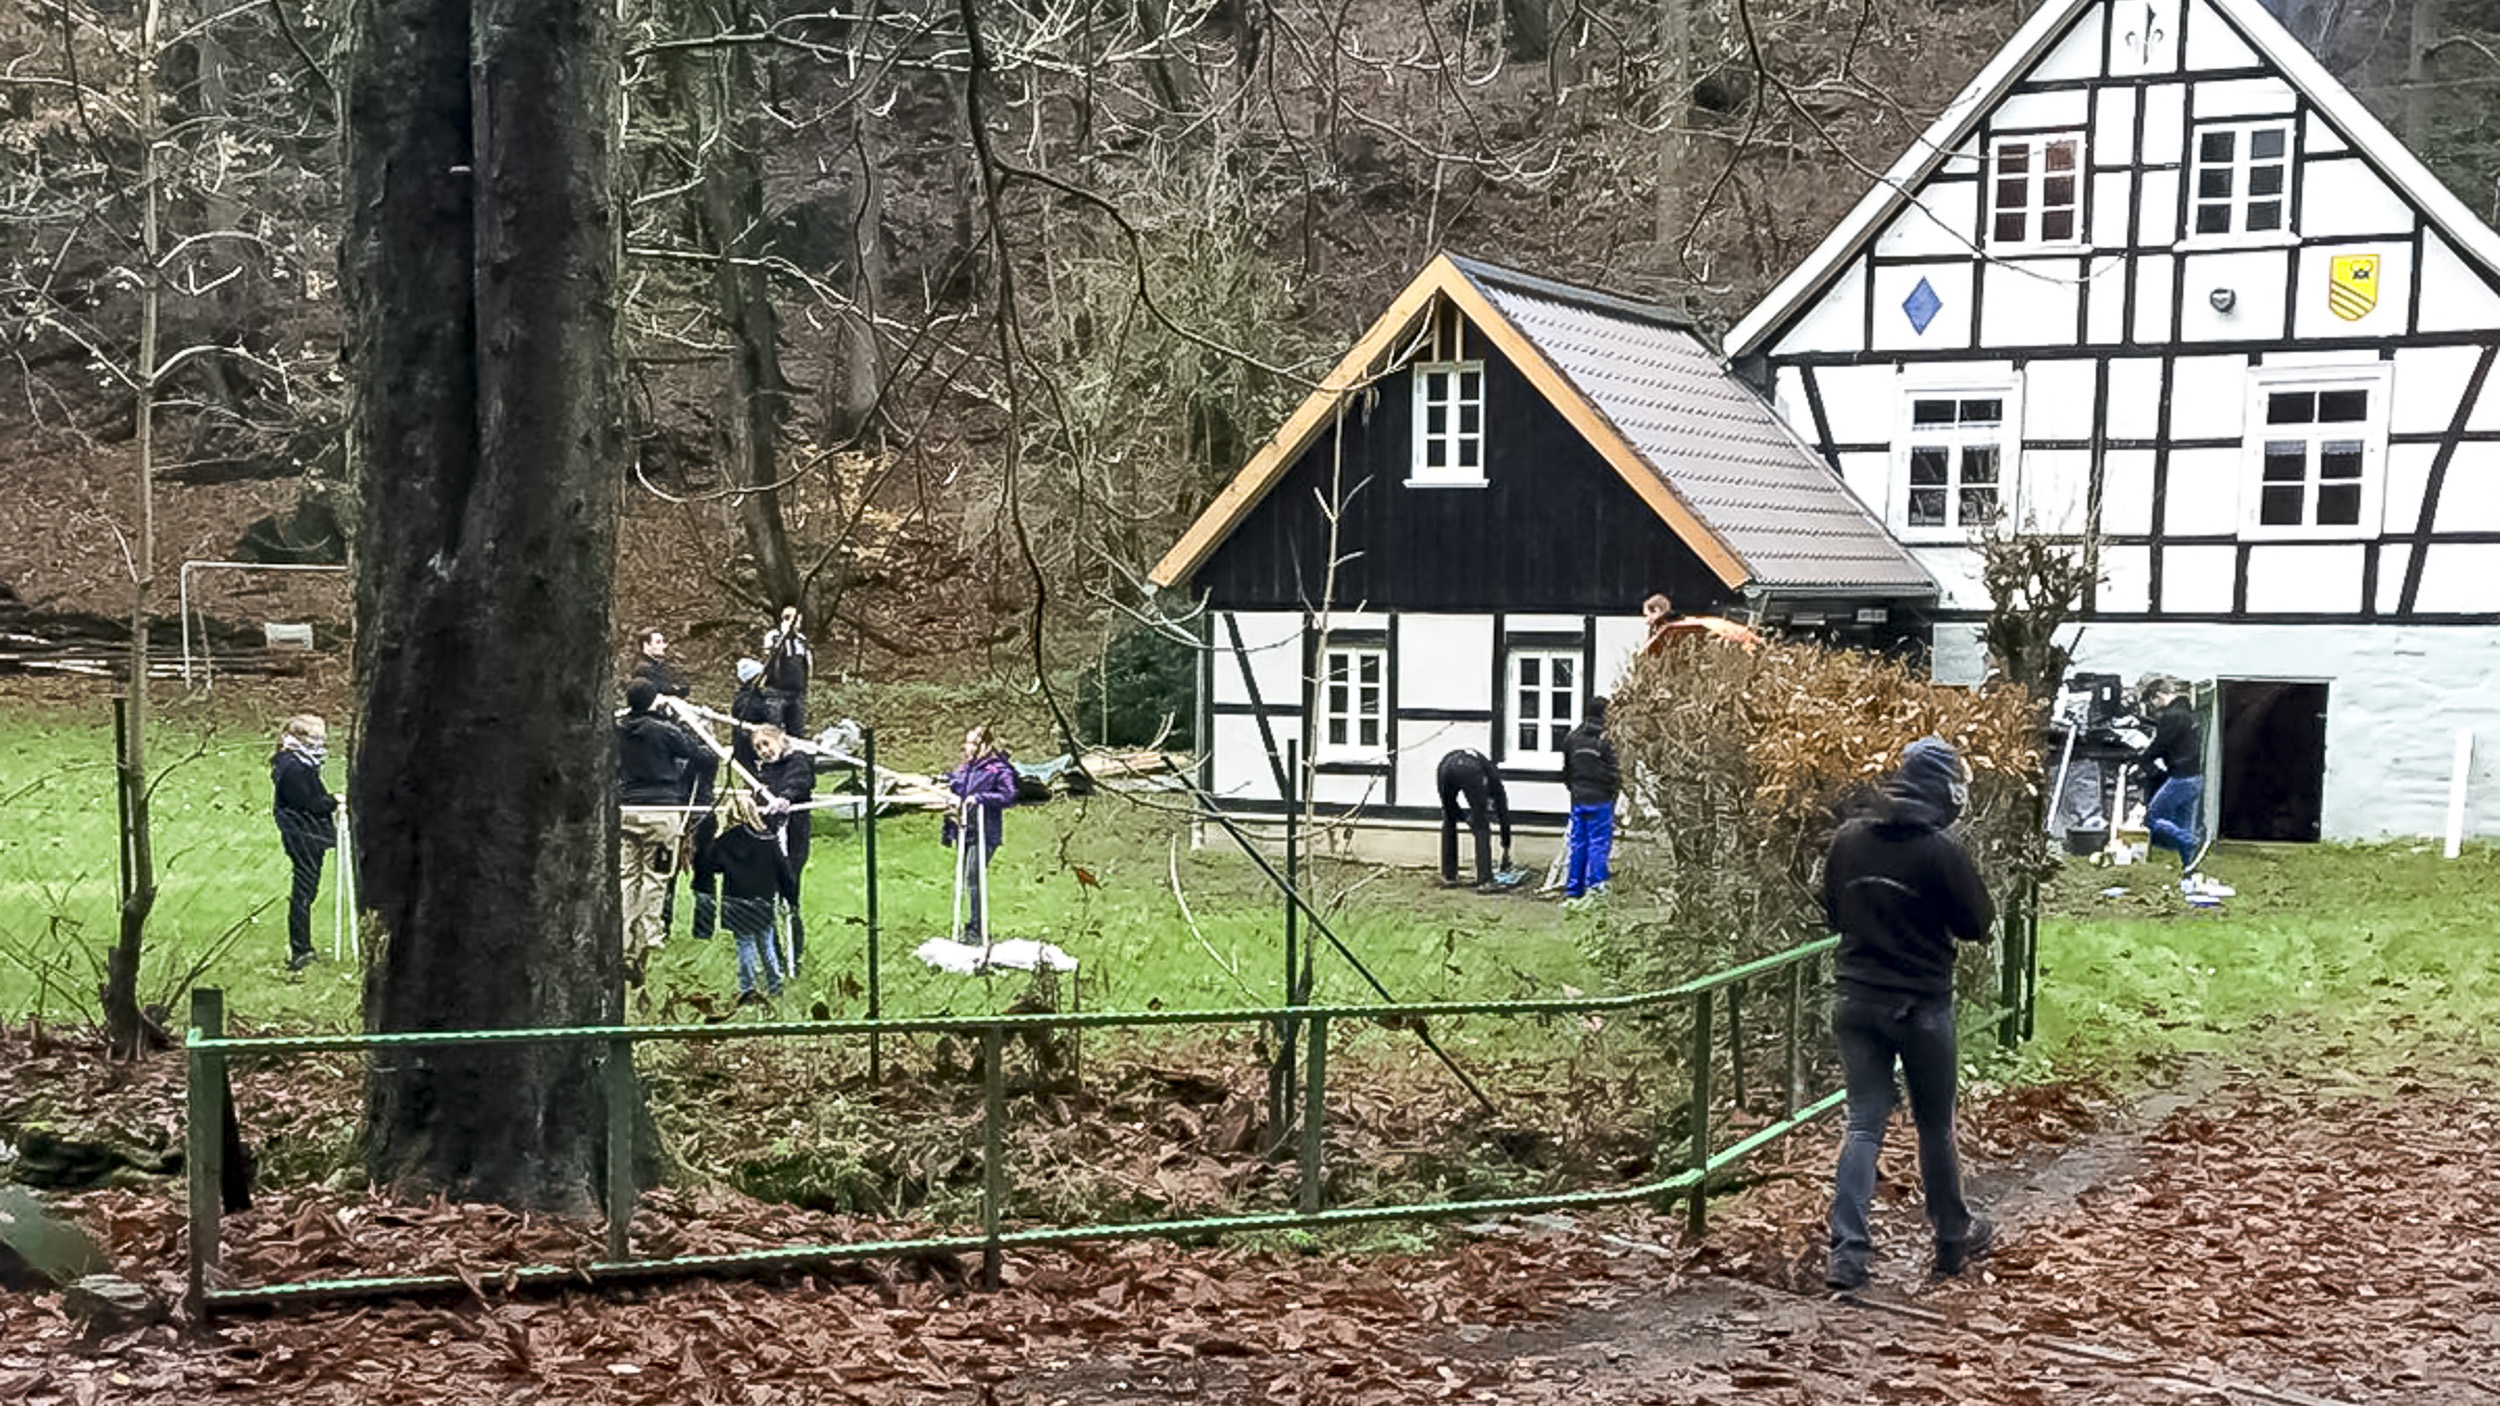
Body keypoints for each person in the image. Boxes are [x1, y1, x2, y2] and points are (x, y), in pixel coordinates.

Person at [1821, 737, 1998, 1292]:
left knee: (1863, 1122)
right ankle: (1950, 1237)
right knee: (1933, 1124)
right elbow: (1977, 922)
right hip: (1921, 1003)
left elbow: (1831, 913)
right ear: (1944, 793)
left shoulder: (1848, 840)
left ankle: (1848, 1253)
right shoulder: (1938, 850)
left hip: (1855, 1000)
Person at [617, 678, 713, 966]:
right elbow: (697, 753)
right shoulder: (664, 731)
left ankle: (623, 937)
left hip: (626, 811)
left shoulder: (616, 731)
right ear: (653, 700)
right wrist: (699, 732)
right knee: (656, 876)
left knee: (627, 876)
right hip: (660, 814)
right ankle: (650, 937)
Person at [2134, 677, 2231, 901]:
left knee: (2152, 818)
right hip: (2196, 778)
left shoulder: (2171, 716)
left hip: (2181, 778)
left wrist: (2141, 761)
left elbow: (2160, 745)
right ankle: (2189, 876)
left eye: (2152, 703)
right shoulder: (2189, 713)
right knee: (2183, 824)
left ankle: (2192, 842)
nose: (2153, 708)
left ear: (2158, 696)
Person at [709, 790, 796, 1007]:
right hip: (762, 900)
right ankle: (775, 985)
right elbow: (783, 870)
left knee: (744, 944)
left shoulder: (724, 841)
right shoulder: (767, 839)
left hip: (735, 901)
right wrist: (791, 897)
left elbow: (712, 866)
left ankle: (747, 989)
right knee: (766, 944)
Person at [270, 713, 339, 973]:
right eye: (315, 738)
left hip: (308, 832)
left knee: (308, 889)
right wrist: (336, 800)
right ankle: (301, 948)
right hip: (302, 833)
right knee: (304, 890)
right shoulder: (293, 767)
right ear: (299, 737)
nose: (320, 744)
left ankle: (302, 945)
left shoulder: (300, 764)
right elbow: (310, 802)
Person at [943, 725, 1020, 941]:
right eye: (967, 743)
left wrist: (980, 799)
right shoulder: (968, 768)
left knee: (973, 877)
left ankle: (977, 929)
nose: (967, 748)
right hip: (965, 830)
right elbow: (959, 784)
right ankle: (967, 926)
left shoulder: (998, 769)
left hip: (985, 831)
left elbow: (1009, 795)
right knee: (964, 878)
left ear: (985, 746)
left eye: (973, 744)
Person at [751, 723, 815, 973]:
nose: (764, 751)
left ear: (780, 740)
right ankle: (772, 956)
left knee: (789, 897)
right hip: (767, 841)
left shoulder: (797, 760)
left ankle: (793, 956)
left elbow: (801, 782)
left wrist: (785, 798)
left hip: (793, 840)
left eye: (767, 744)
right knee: (765, 900)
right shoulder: (762, 772)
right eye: (758, 747)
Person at [1560, 696, 1620, 900]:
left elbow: (1566, 770)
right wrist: (1612, 793)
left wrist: (1574, 790)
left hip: (1578, 798)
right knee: (1598, 843)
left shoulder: (1572, 738)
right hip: (1601, 799)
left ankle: (1574, 889)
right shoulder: (1607, 740)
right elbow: (1614, 772)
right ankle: (1596, 888)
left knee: (1578, 843)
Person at [1435, 748, 1513, 889]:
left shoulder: (1485, 769)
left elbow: (1451, 806)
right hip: (1468, 768)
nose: (1490, 809)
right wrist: (1506, 847)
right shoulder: (1497, 788)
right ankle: (1485, 880)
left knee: (1448, 817)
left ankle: (1448, 875)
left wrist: (1465, 818)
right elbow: (1504, 818)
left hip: (1445, 766)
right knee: (1482, 825)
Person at [761, 607, 812, 733]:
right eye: (798, 621)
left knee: (797, 730)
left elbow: (807, 661)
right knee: (775, 730)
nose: (799, 624)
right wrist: (784, 636)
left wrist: (807, 683)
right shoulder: (773, 636)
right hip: (777, 691)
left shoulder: (801, 639)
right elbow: (768, 657)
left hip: (797, 692)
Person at [628, 627, 690, 698]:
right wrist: (675, 688)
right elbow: (666, 690)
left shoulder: (658, 664)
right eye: (658, 642)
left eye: (663, 642)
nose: (664, 646)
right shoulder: (643, 668)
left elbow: (683, 685)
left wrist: (676, 688)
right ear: (646, 645)